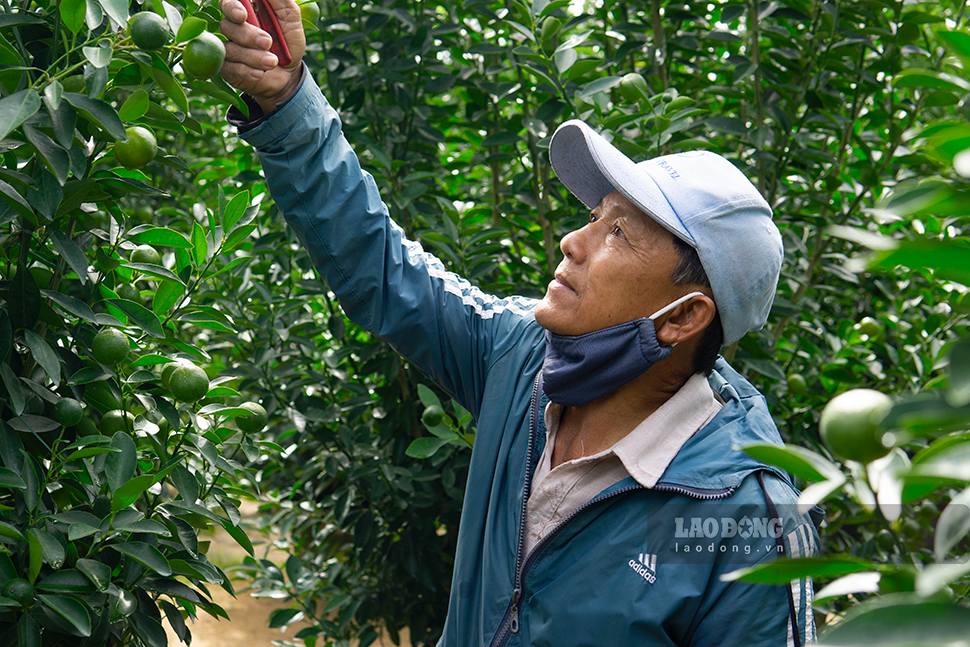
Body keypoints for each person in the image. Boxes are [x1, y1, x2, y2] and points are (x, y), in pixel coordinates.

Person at [219, 1, 819, 645]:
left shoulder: (748, 522)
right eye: (594, 216)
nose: (572, 241)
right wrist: (287, 102)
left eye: (619, 233)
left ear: (684, 318)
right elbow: (382, 269)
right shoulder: (522, 357)